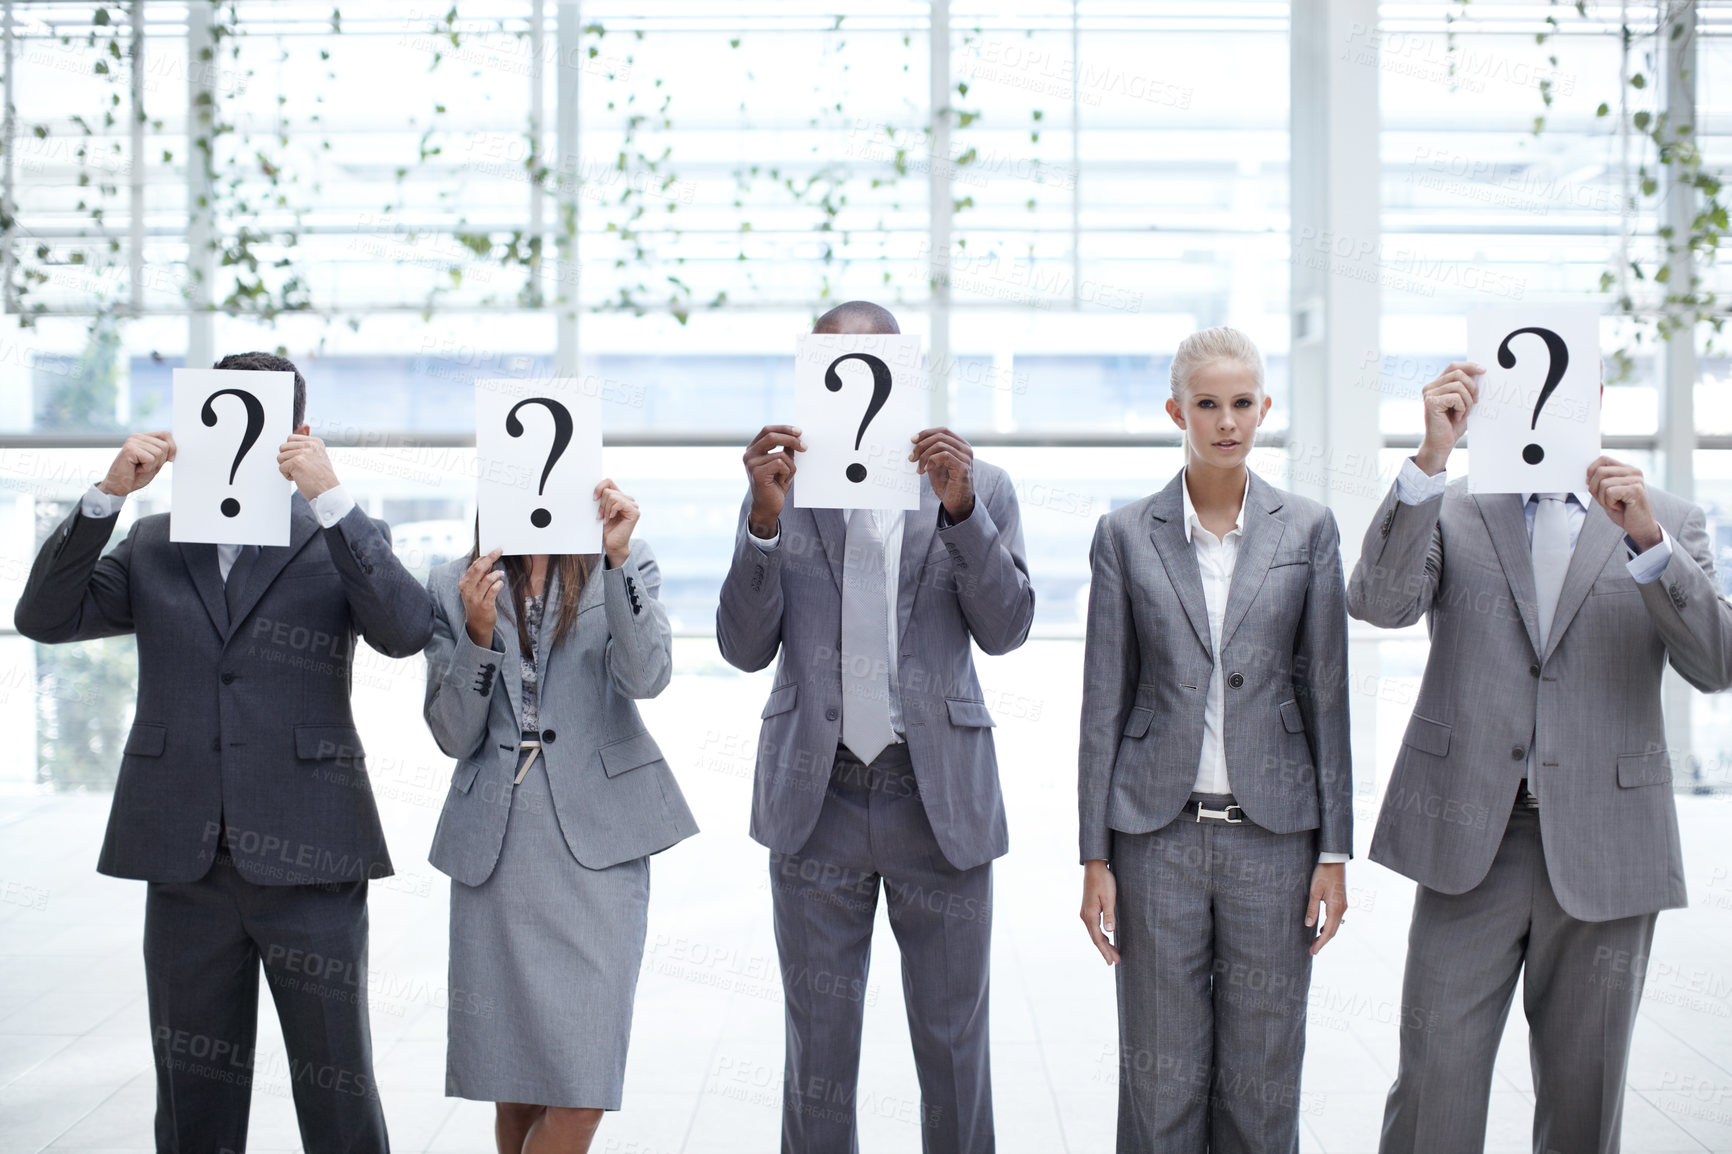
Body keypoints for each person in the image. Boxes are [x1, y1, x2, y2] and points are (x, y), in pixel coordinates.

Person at [13, 351, 432, 1153]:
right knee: (192, 1101)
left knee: (337, 1089)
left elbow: (406, 631)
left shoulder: (341, 532)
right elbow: (44, 616)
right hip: (183, 858)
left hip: (311, 851)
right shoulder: (153, 540)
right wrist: (107, 496)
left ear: (295, 433)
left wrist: (332, 497)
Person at [1348, 360, 1732, 1153]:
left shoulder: (1665, 518)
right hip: (1470, 841)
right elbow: (1379, 603)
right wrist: (1428, 462)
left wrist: (1649, 543)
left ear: (1593, 401)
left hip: (1608, 844)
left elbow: (1716, 665)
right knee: (1432, 1090)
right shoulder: (1452, 509)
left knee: (1584, 1099)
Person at [716, 300, 1035, 1153]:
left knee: (953, 1044)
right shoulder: (778, 492)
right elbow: (743, 648)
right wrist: (762, 519)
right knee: (817, 1051)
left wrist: (962, 509)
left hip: (938, 802)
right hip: (815, 799)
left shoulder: (978, 484)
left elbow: (1006, 630)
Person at [1076, 326, 1352, 1153]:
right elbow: (1102, 702)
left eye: (1241, 404)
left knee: (1263, 1084)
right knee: (1160, 1080)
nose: (1226, 421)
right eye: (1207, 405)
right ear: (1176, 412)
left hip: (1275, 840)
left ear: (1265, 408)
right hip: (1155, 837)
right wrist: (1094, 855)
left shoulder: (1308, 530)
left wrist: (1334, 851)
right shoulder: (1125, 535)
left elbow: (1327, 697)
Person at [423, 478, 696, 1154]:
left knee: (579, 1096)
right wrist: (479, 639)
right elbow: (454, 735)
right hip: (499, 850)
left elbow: (648, 677)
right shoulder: (454, 582)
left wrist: (617, 559)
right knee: (514, 1088)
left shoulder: (625, 564)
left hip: (599, 849)